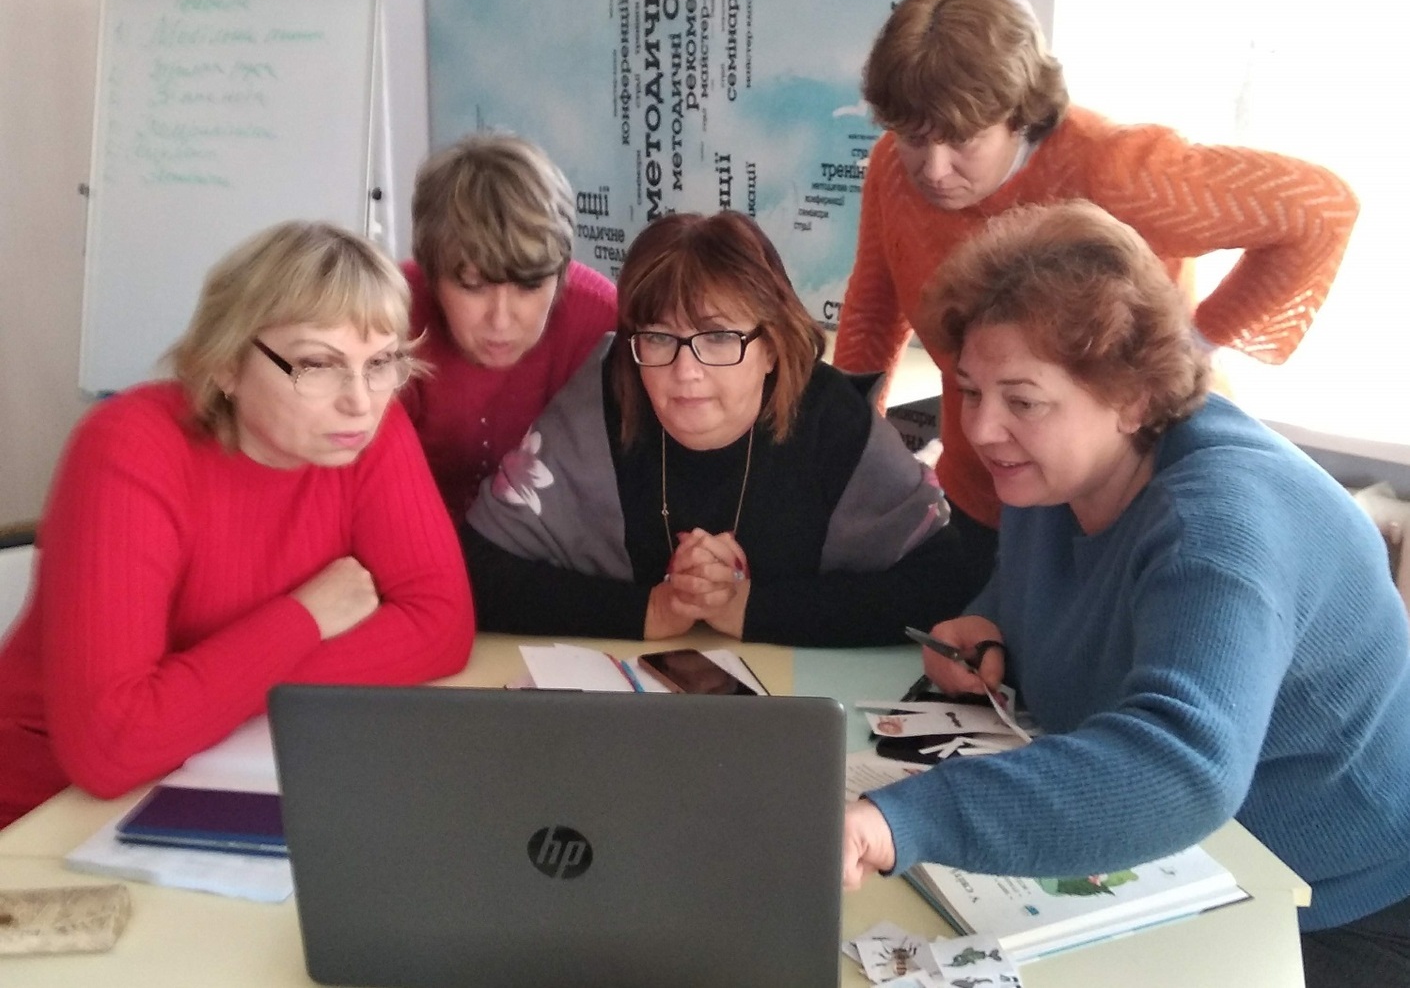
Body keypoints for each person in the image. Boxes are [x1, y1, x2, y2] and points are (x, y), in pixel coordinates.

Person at [840, 201, 1410, 988]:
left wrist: (899, 820)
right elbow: (1061, 583)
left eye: (1022, 400)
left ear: (1135, 397)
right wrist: (991, 620)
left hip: (1342, 903)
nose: (982, 428)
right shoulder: (1058, 470)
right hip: (1196, 865)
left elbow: (1182, 763)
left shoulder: (1220, 526)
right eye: (969, 390)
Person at [833, 0, 1360, 580]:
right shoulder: (892, 171)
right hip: (985, 483)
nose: (933, 168)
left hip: (1121, 498)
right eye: (913, 138)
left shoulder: (1112, 171)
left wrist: (1196, 341)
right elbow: (873, 312)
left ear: (1018, 115)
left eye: (962, 141)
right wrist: (850, 442)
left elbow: (1319, 211)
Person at [0, 221, 475, 828]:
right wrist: (304, 617)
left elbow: (442, 626)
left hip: (221, 767)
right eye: (317, 365)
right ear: (225, 364)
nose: (360, 400)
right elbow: (110, 747)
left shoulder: (360, 434)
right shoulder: (130, 448)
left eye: (381, 362)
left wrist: (200, 695)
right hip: (46, 806)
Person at [464, 210, 984, 645]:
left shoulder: (831, 420)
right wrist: (650, 611)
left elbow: (942, 578)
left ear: (772, 347)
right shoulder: (605, 394)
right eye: (658, 337)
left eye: (717, 338)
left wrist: (747, 609)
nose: (685, 371)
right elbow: (476, 569)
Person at [401, 133, 618, 518]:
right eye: (472, 286)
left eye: (529, 285)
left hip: (553, 540)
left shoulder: (604, 321)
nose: (501, 320)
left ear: (561, 272)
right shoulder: (387, 321)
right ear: (431, 274)